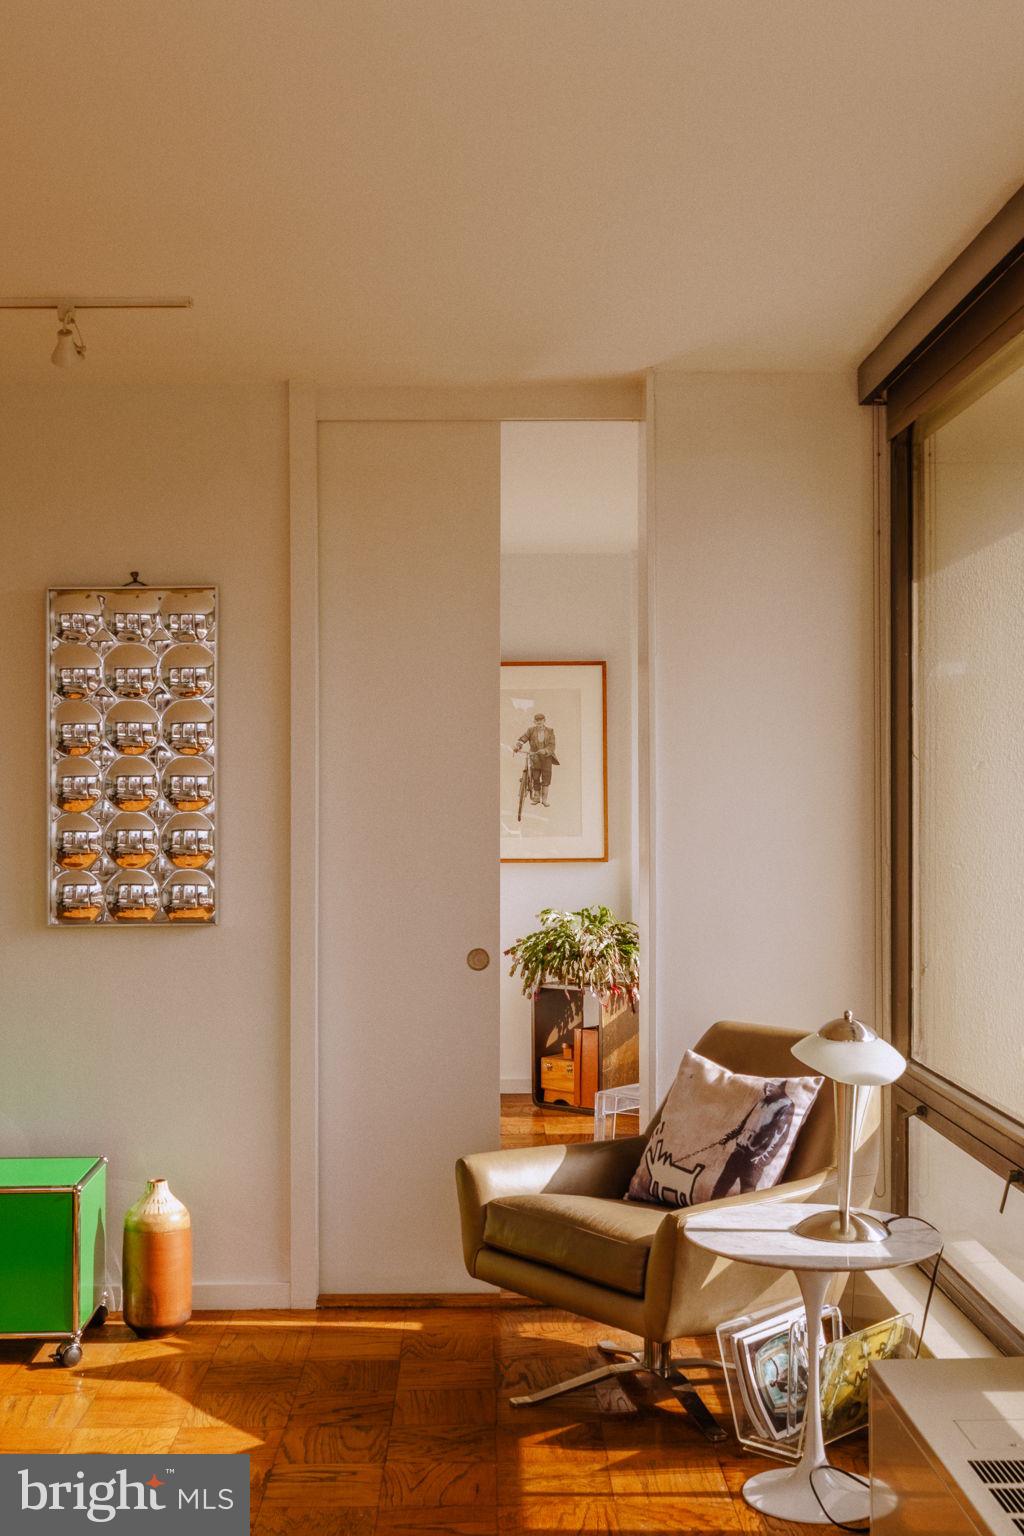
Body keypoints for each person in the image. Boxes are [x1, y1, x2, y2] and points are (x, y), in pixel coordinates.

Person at [710, 1080, 795, 1198]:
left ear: (781, 1087)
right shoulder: (762, 1101)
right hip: (739, 1150)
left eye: (772, 1085)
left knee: (747, 1193)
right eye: (766, 1085)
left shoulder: (786, 1105)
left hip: (754, 1157)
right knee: (720, 1187)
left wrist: (761, 1158)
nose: (768, 1088)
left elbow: (780, 1137)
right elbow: (744, 1123)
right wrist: (729, 1136)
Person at [513, 713, 559, 807]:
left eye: (541, 720)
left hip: (546, 757)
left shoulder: (550, 731)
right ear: (534, 721)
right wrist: (518, 746)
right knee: (535, 777)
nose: (539, 722)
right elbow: (523, 738)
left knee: (546, 778)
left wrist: (545, 750)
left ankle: (544, 800)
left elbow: (552, 745)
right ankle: (537, 798)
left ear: (544, 721)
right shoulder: (531, 730)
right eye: (537, 720)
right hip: (535, 757)